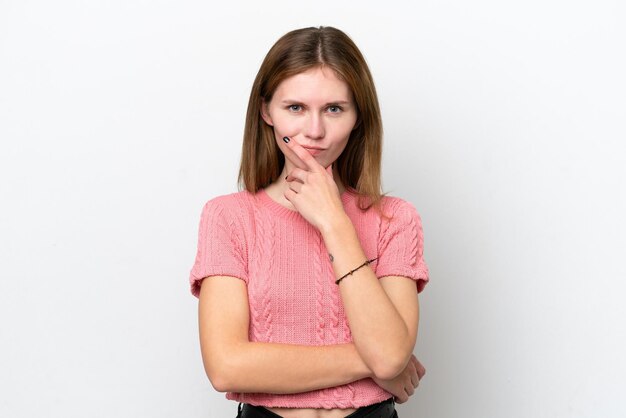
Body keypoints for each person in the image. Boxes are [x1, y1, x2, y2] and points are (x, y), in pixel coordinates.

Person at [189, 26, 429, 418]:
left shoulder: (395, 219)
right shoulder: (228, 217)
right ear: (267, 111)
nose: (314, 131)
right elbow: (226, 367)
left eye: (334, 109)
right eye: (295, 108)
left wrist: (335, 222)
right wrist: (374, 358)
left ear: (357, 117)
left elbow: (390, 359)